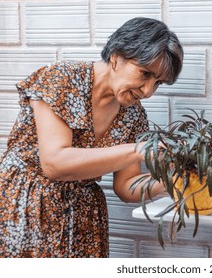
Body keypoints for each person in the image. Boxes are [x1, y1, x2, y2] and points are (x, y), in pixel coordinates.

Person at [0, 17, 184, 258]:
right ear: (116, 57)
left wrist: (175, 179)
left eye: (158, 82)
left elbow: (126, 186)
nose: (148, 91)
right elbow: (55, 163)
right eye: (145, 73)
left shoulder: (133, 114)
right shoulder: (61, 79)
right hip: (26, 206)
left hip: (82, 219)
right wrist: (139, 150)